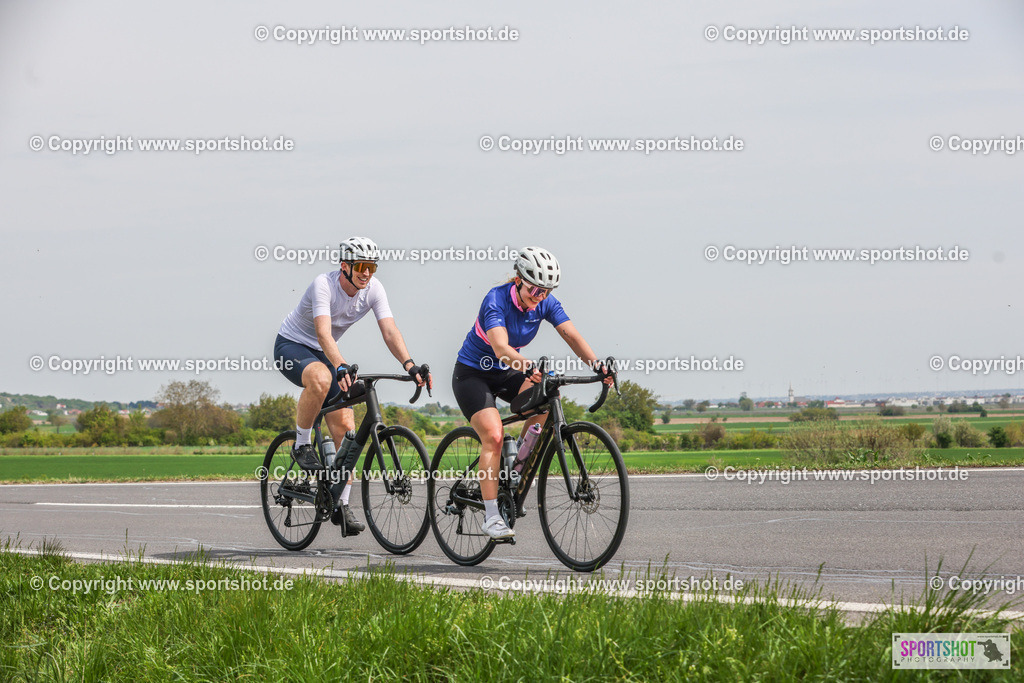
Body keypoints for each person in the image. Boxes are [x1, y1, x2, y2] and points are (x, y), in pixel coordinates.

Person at [452, 246, 612, 539]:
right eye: (535, 289)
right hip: (473, 374)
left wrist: (598, 365)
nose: (540, 296)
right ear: (518, 280)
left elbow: (571, 335)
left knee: (547, 398)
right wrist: (527, 365)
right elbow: (501, 348)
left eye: (546, 291)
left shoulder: (545, 303)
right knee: (494, 436)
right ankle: (491, 517)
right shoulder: (496, 299)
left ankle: (517, 467)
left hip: (508, 371)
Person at [274, 236, 431, 533]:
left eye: (371, 267)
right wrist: (340, 365)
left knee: (347, 428)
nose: (366, 273)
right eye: (360, 266)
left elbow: (389, 331)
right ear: (344, 266)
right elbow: (323, 333)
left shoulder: (374, 289)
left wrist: (409, 365)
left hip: (325, 353)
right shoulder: (323, 284)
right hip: (292, 346)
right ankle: (302, 443)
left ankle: (341, 505)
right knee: (321, 378)